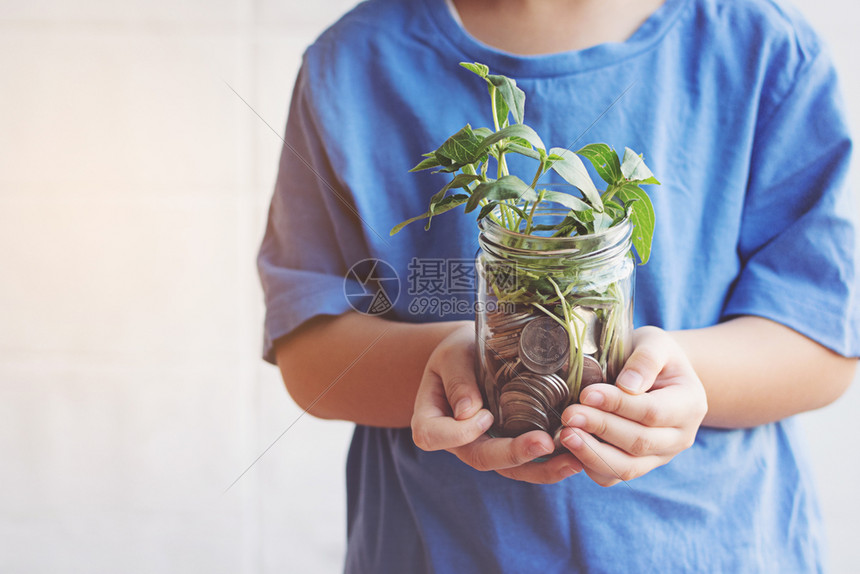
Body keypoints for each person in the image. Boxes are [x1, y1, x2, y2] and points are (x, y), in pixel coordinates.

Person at [258, 0, 859, 571]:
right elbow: (308, 351)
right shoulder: (350, 63)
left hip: (709, 547)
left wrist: (660, 378)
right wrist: (456, 366)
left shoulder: (763, 47)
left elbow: (823, 340)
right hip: (438, 549)